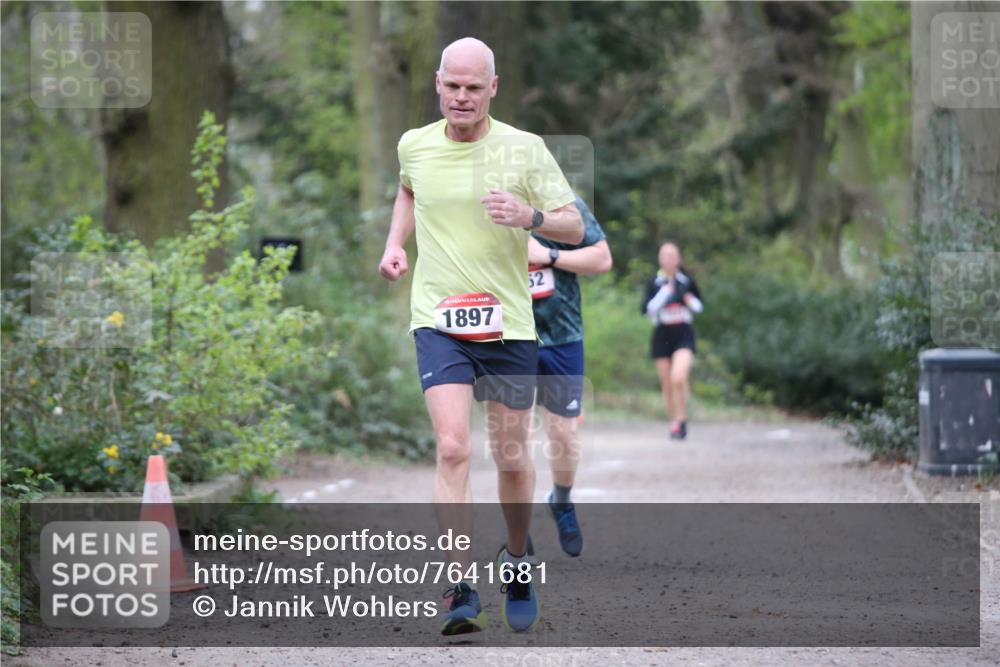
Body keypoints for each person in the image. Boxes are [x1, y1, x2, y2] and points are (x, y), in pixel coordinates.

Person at [378, 37, 583, 636]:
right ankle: (459, 585)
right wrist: (395, 244)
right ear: (438, 84)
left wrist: (531, 218)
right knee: (452, 448)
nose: (461, 97)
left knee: (511, 455)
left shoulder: (524, 149)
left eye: (474, 88)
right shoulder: (413, 144)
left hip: (509, 325)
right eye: (452, 86)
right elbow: (409, 188)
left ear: (494, 88)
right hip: (438, 319)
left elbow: (571, 223)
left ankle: (517, 559)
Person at [527, 194, 611, 557]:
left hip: (561, 335)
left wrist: (548, 255)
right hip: (505, 334)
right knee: (512, 431)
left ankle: (561, 500)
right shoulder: (486, 203)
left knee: (563, 435)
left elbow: (602, 258)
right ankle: (518, 526)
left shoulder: (563, 203)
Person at [641, 242, 703, 440]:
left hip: (683, 333)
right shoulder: (654, 282)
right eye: (664, 255)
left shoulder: (687, 281)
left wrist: (688, 299)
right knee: (667, 383)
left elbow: (699, 306)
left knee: (678, 376)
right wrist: (664, 293)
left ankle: (681, 417)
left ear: (678, 259)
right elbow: (646, 309)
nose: (667, 258)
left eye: (671, 255)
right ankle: (675, 422)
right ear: (660, 259)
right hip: (661, 334)